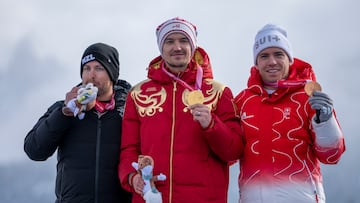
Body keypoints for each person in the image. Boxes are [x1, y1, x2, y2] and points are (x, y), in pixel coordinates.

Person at [118, 17, 244, 203]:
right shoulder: (138, 94)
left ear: (193, 46)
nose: (177, 47)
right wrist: (132, 176)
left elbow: (234, 151)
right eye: (170, 41)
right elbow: (129, 148)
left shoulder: (218, 92)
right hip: (152, 196)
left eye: (183, 40)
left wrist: (211, 124)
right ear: (161, 48)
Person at [233, 24, 346, 203]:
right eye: (264, 56)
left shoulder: (308, 96)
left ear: (290, 59)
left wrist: (325, 121)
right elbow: (229, 153)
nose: (272, 62)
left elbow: (332, 155)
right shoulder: (242, 101)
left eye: (279, 54)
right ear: (256, 63)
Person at [24, 43, 132, 203]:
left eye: (99, 68)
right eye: (86, 68)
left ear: (112, 74)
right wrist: (64, 114)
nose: (91, 75)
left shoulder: (129, 111)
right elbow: (34, 150)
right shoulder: (63, 109)